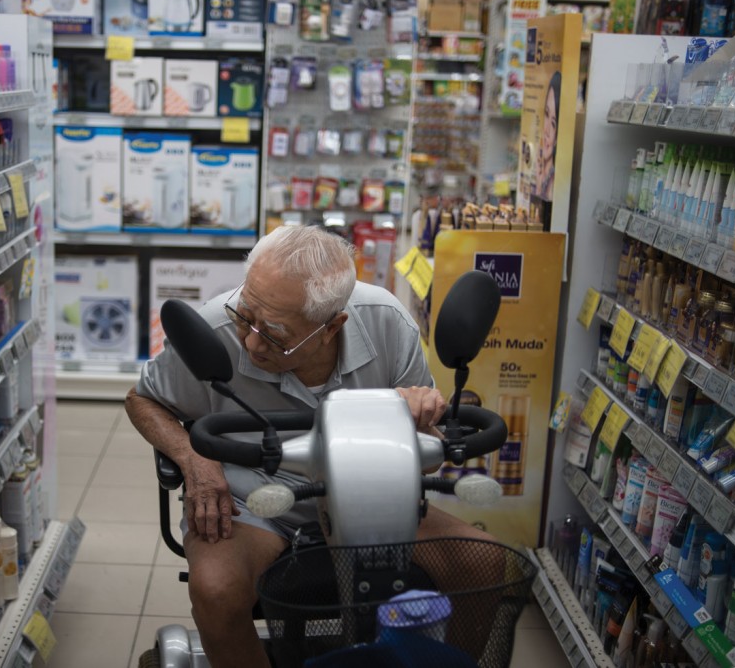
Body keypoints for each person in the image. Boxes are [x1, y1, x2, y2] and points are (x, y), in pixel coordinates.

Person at [125, 225, 494, 668]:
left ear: (331, 326)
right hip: (254, 503)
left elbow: (428, 459)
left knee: (484, 564)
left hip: (373, 496)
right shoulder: (216, 327)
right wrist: (193, 459)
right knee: (216, 591)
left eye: (275, 334)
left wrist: (420, 420)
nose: (251, 341)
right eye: (247, 316)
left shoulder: (388, 323)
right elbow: (143, 400)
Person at [534, 71, 562, 202]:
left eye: (553, 124)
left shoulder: (554, 184)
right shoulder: (542, 175)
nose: (546, 130)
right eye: (546, 114)